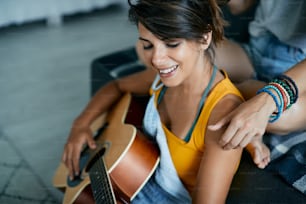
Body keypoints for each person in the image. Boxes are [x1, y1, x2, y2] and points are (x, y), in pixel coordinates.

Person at [62, 0, 244, 203]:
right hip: (138, 179)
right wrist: (80, 125)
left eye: (171, 44)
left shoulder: (222, 114)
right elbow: (116, 86)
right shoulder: (162, 79)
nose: (156, 59)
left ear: (204, 38)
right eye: (147, 45)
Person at [208, 0, 306, 169]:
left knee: (285, 115)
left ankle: (224, 91)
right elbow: (239, 6)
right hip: (257, 48)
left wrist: (268, 101)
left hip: (300, 75)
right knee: (183, 47)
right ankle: (238, 96)